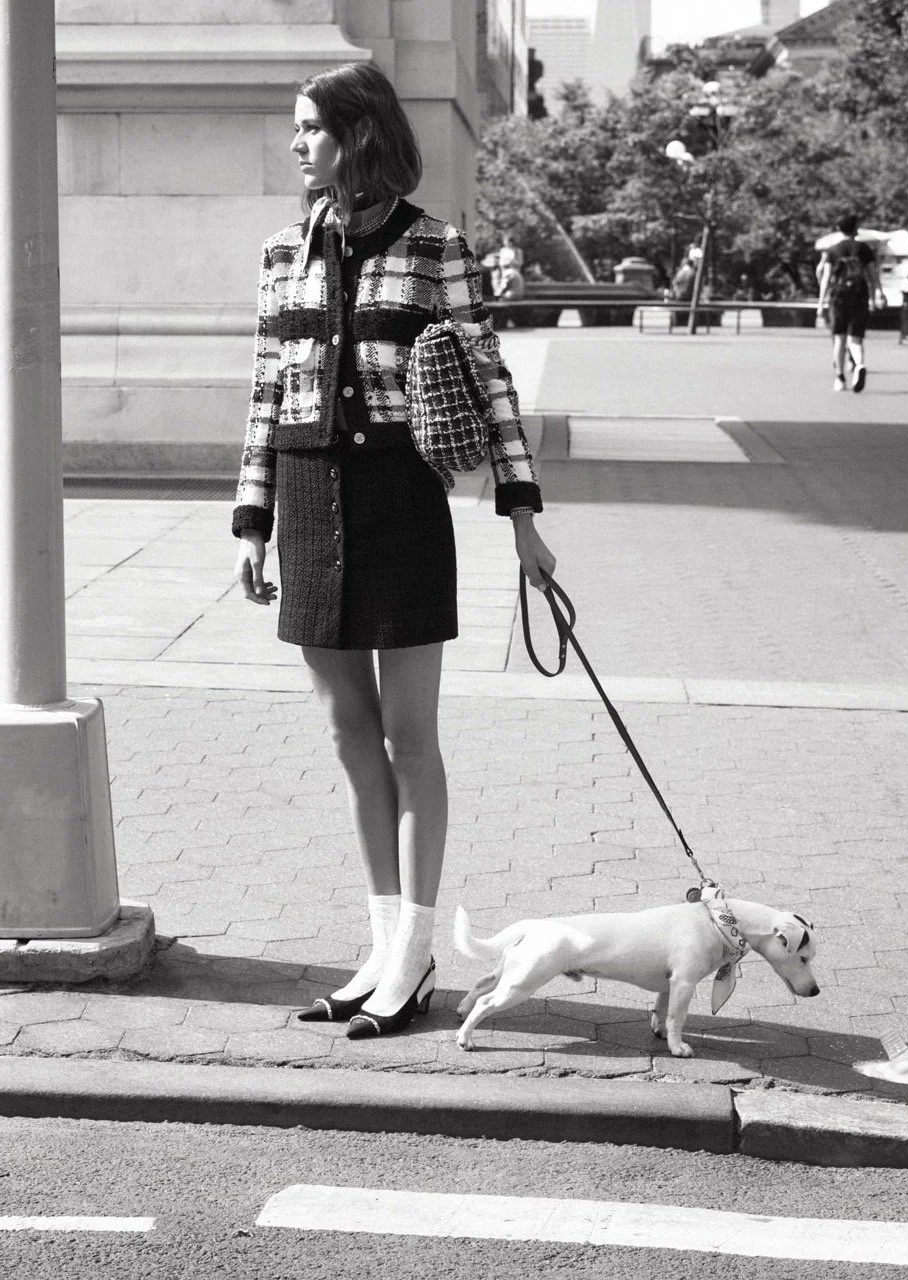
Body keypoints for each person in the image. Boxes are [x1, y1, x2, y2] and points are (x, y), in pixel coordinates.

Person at [232, 62, 556, 1039]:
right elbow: (261, 388)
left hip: (402, 504)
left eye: (308, 130)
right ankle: (381, 950)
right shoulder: (283, 251)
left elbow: (488, 381)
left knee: (410, 739)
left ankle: (413, 957)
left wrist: (522, 514)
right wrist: (252, 518)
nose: (295, 145)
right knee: (347, 734)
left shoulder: (435, 246)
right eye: (293, 130)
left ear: (357, 134)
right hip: (309, 501)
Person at [817, 214, 885, 392]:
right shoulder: (864, 249)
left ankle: (840, 378)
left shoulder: (833, 250)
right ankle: (859, 364)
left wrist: (820, 302)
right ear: (856, 228)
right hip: (859, 295)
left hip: (839, 296)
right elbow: (872, 275)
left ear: (839, 229)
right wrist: (878, 293)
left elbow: (825, 278)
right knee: (856, 338)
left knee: (839, 337)